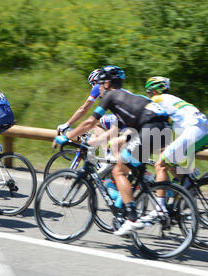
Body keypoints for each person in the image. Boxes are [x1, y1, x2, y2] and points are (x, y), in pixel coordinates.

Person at [64, 65, 171, 236]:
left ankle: (132, 217)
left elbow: (90, 122)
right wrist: (109, 141)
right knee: (131, 168)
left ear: (107, 83)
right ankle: (149, 190)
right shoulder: (129, 98)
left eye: (100, 84)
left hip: (150, 128)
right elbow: (129, 131)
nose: (98, 88)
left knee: (118, 171)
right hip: (164, 127)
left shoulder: (111, 96)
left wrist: (68, 136)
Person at [141, 76, 208, 219]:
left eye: (149, 92)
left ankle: (160, 209)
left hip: (194, 131)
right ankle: (187, 188)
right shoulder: (172, 100)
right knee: (168, 160)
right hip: (202, 131)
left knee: (160, 165)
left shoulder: (157, 100)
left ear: (154, 91)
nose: (148, 95)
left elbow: (144, 119)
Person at [56, 69, 102, 135]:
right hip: (120, 117)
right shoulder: (113, 87)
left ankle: (103, 144)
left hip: (120, 117)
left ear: (95, 80)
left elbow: (83, 109)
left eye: (92, 83)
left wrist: (67, 124)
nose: (92, 87)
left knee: (95, 123)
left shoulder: (98, 87)